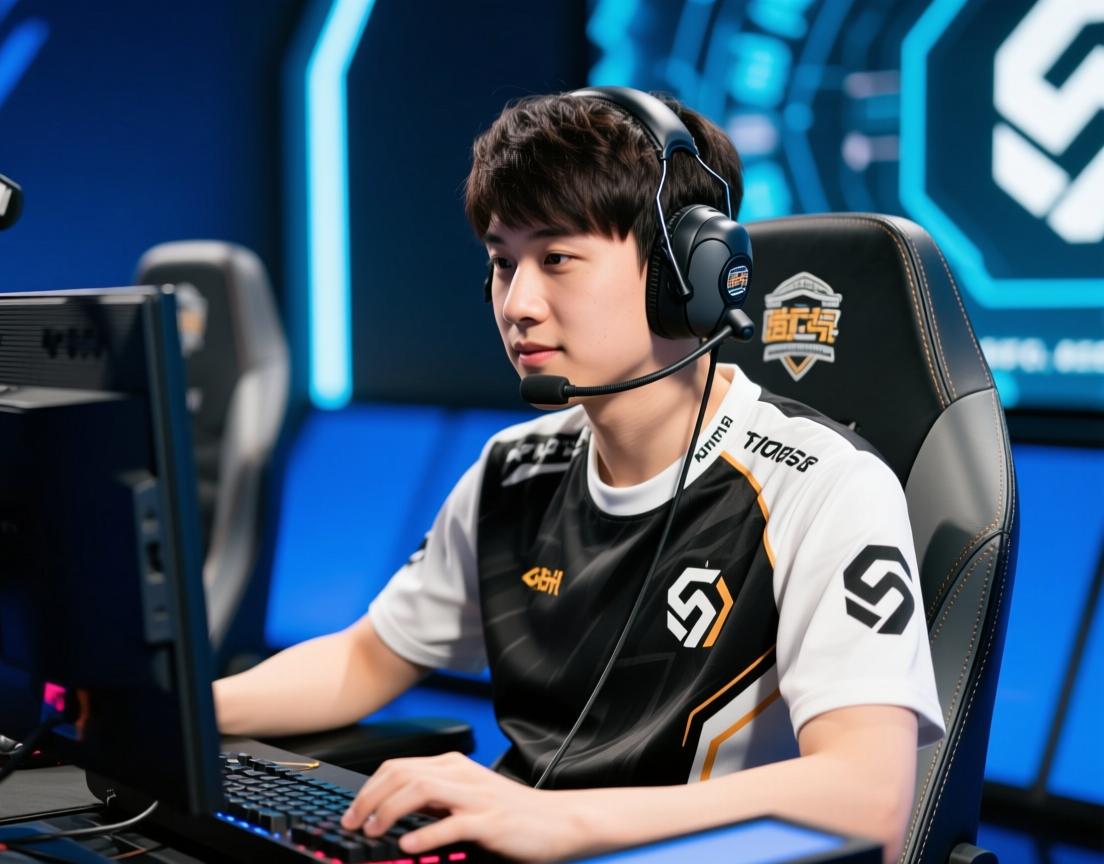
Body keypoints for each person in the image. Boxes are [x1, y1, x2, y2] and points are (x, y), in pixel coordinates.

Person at [214, 88, 944, 864]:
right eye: (503, 264)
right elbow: (366, 658)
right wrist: (174, 714)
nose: (518, 304)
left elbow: (867, 796)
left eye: (556, 259)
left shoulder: (822, 484)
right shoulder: (512, 469)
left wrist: (557, 819)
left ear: (685, 274)